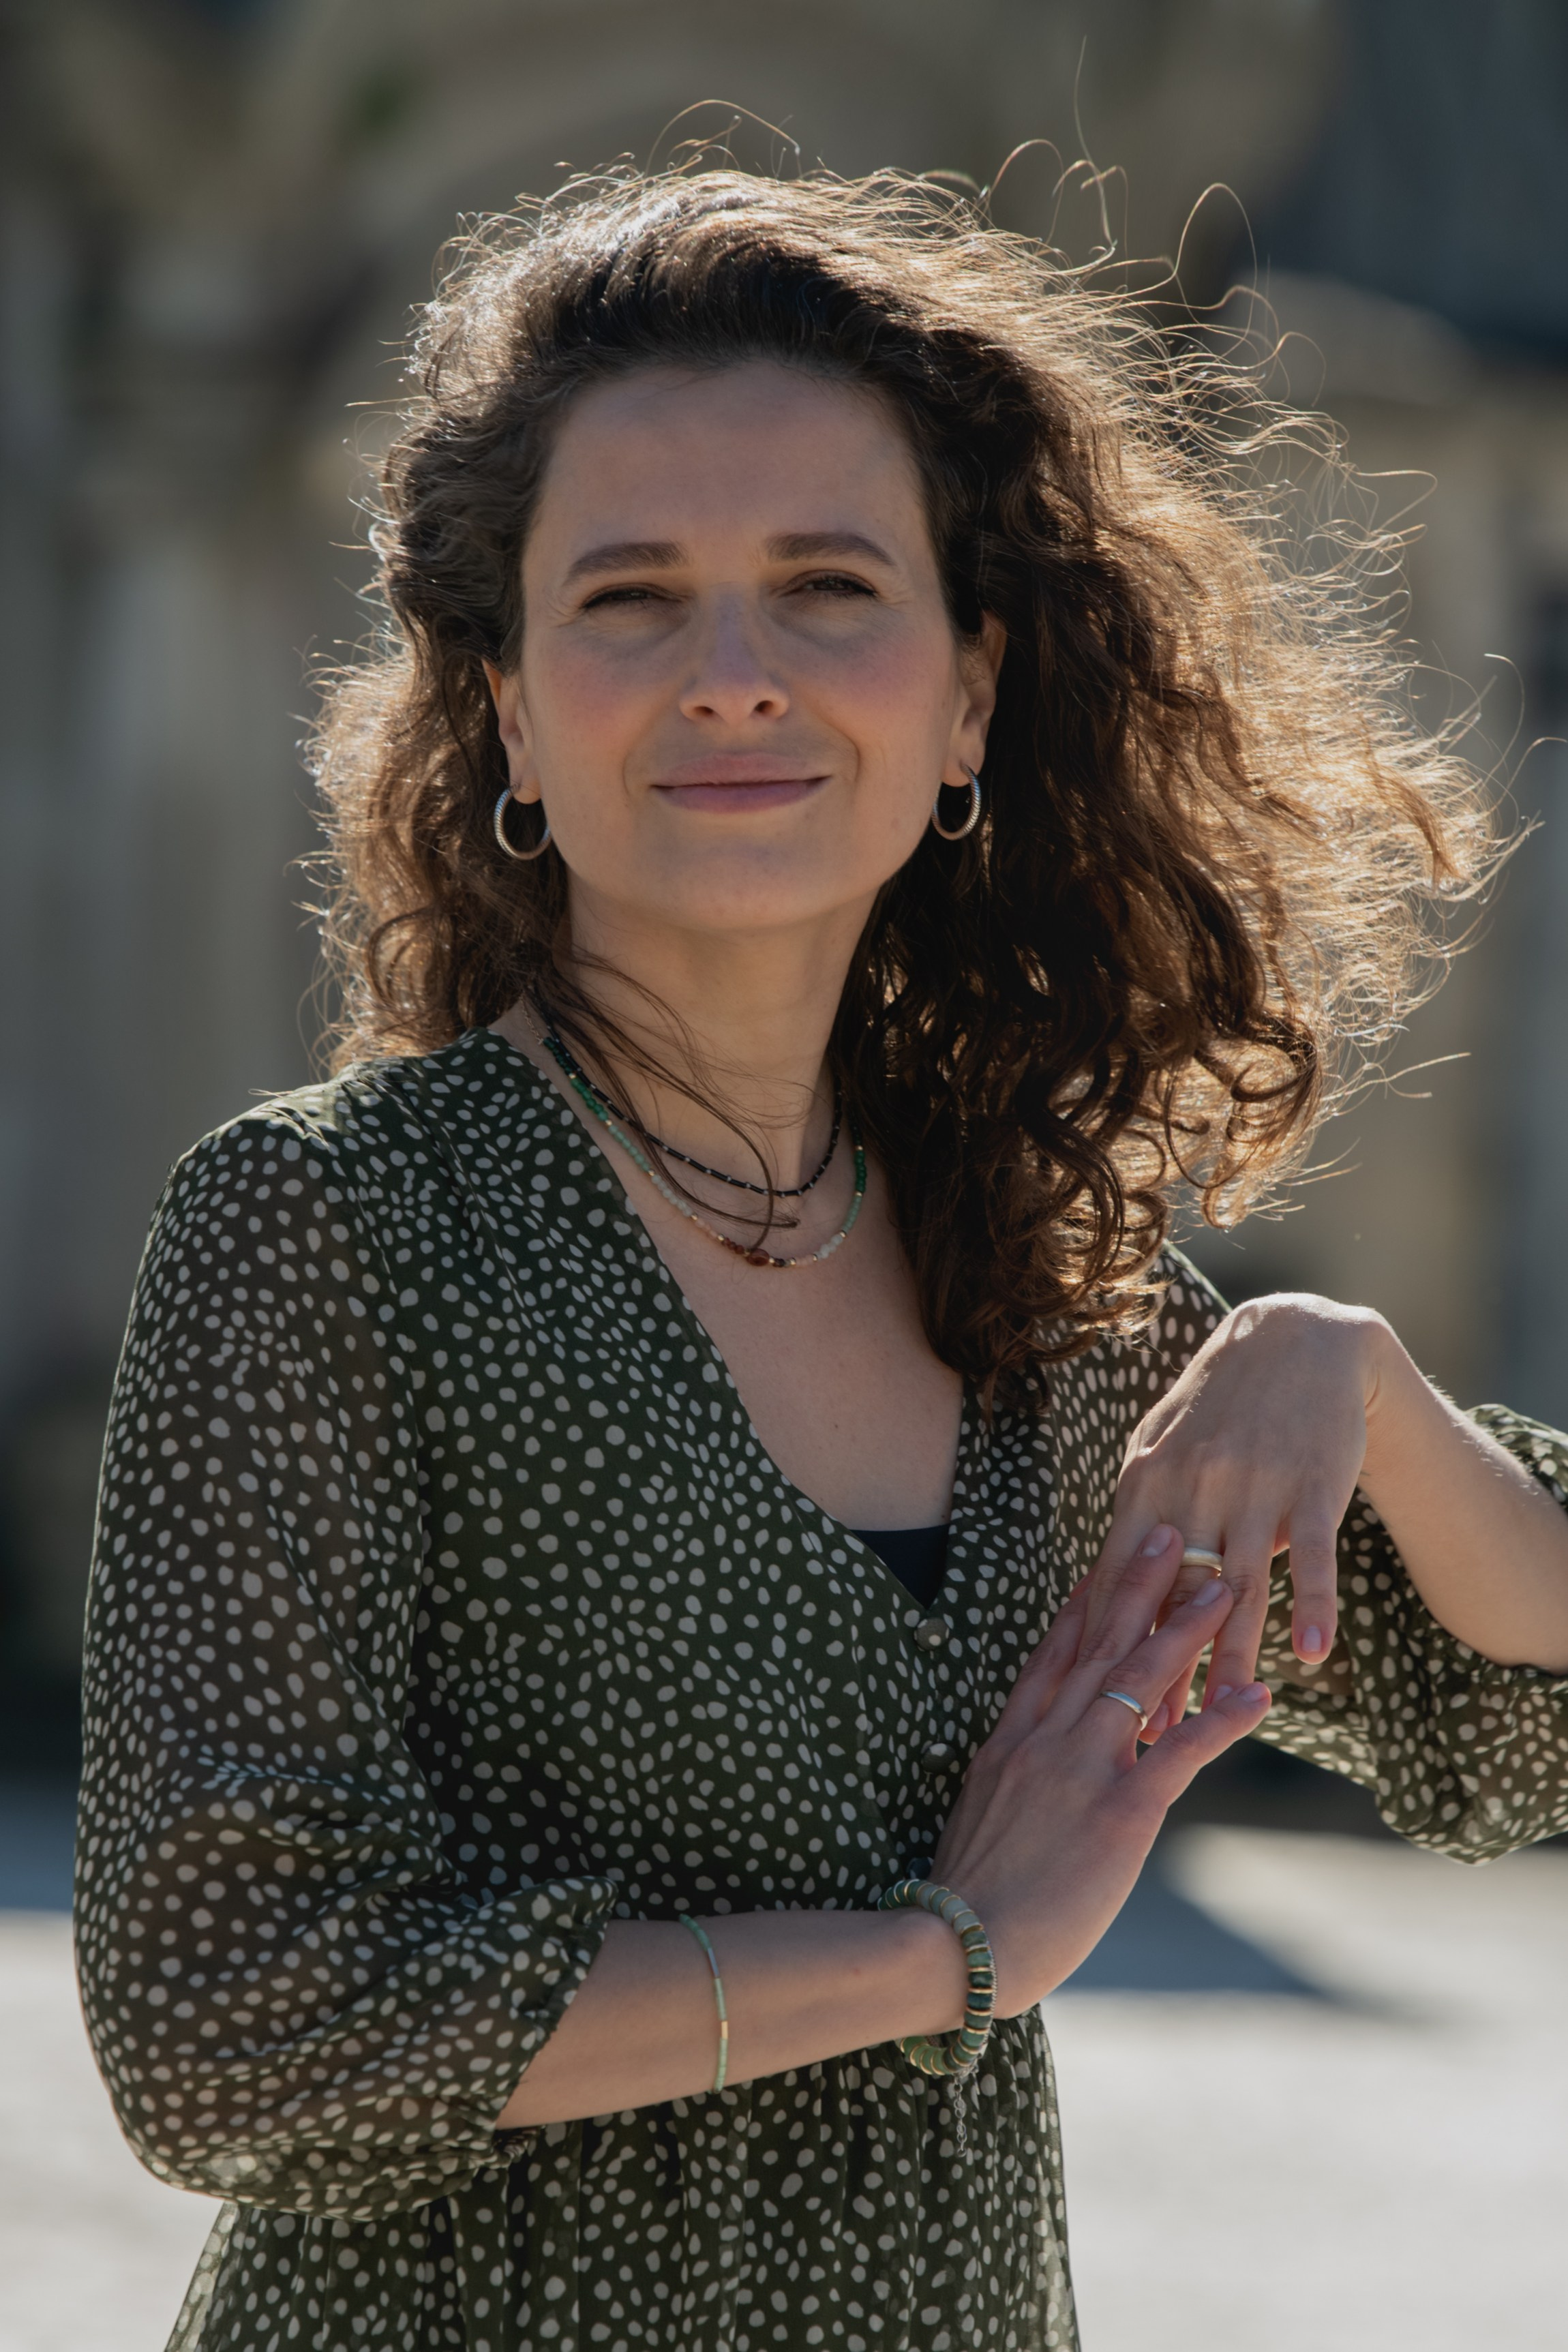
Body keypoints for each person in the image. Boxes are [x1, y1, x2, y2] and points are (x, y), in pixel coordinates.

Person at [76, 168, 1568, 2352]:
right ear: (504, 707)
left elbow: (1519, 1705)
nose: (734, 675)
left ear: (967, 698)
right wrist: (946, 1945)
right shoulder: (328, 1229)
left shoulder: (1049, 1286)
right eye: (631, 598)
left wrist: (1344, 1371)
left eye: (824, 583)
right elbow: (231, 2024)